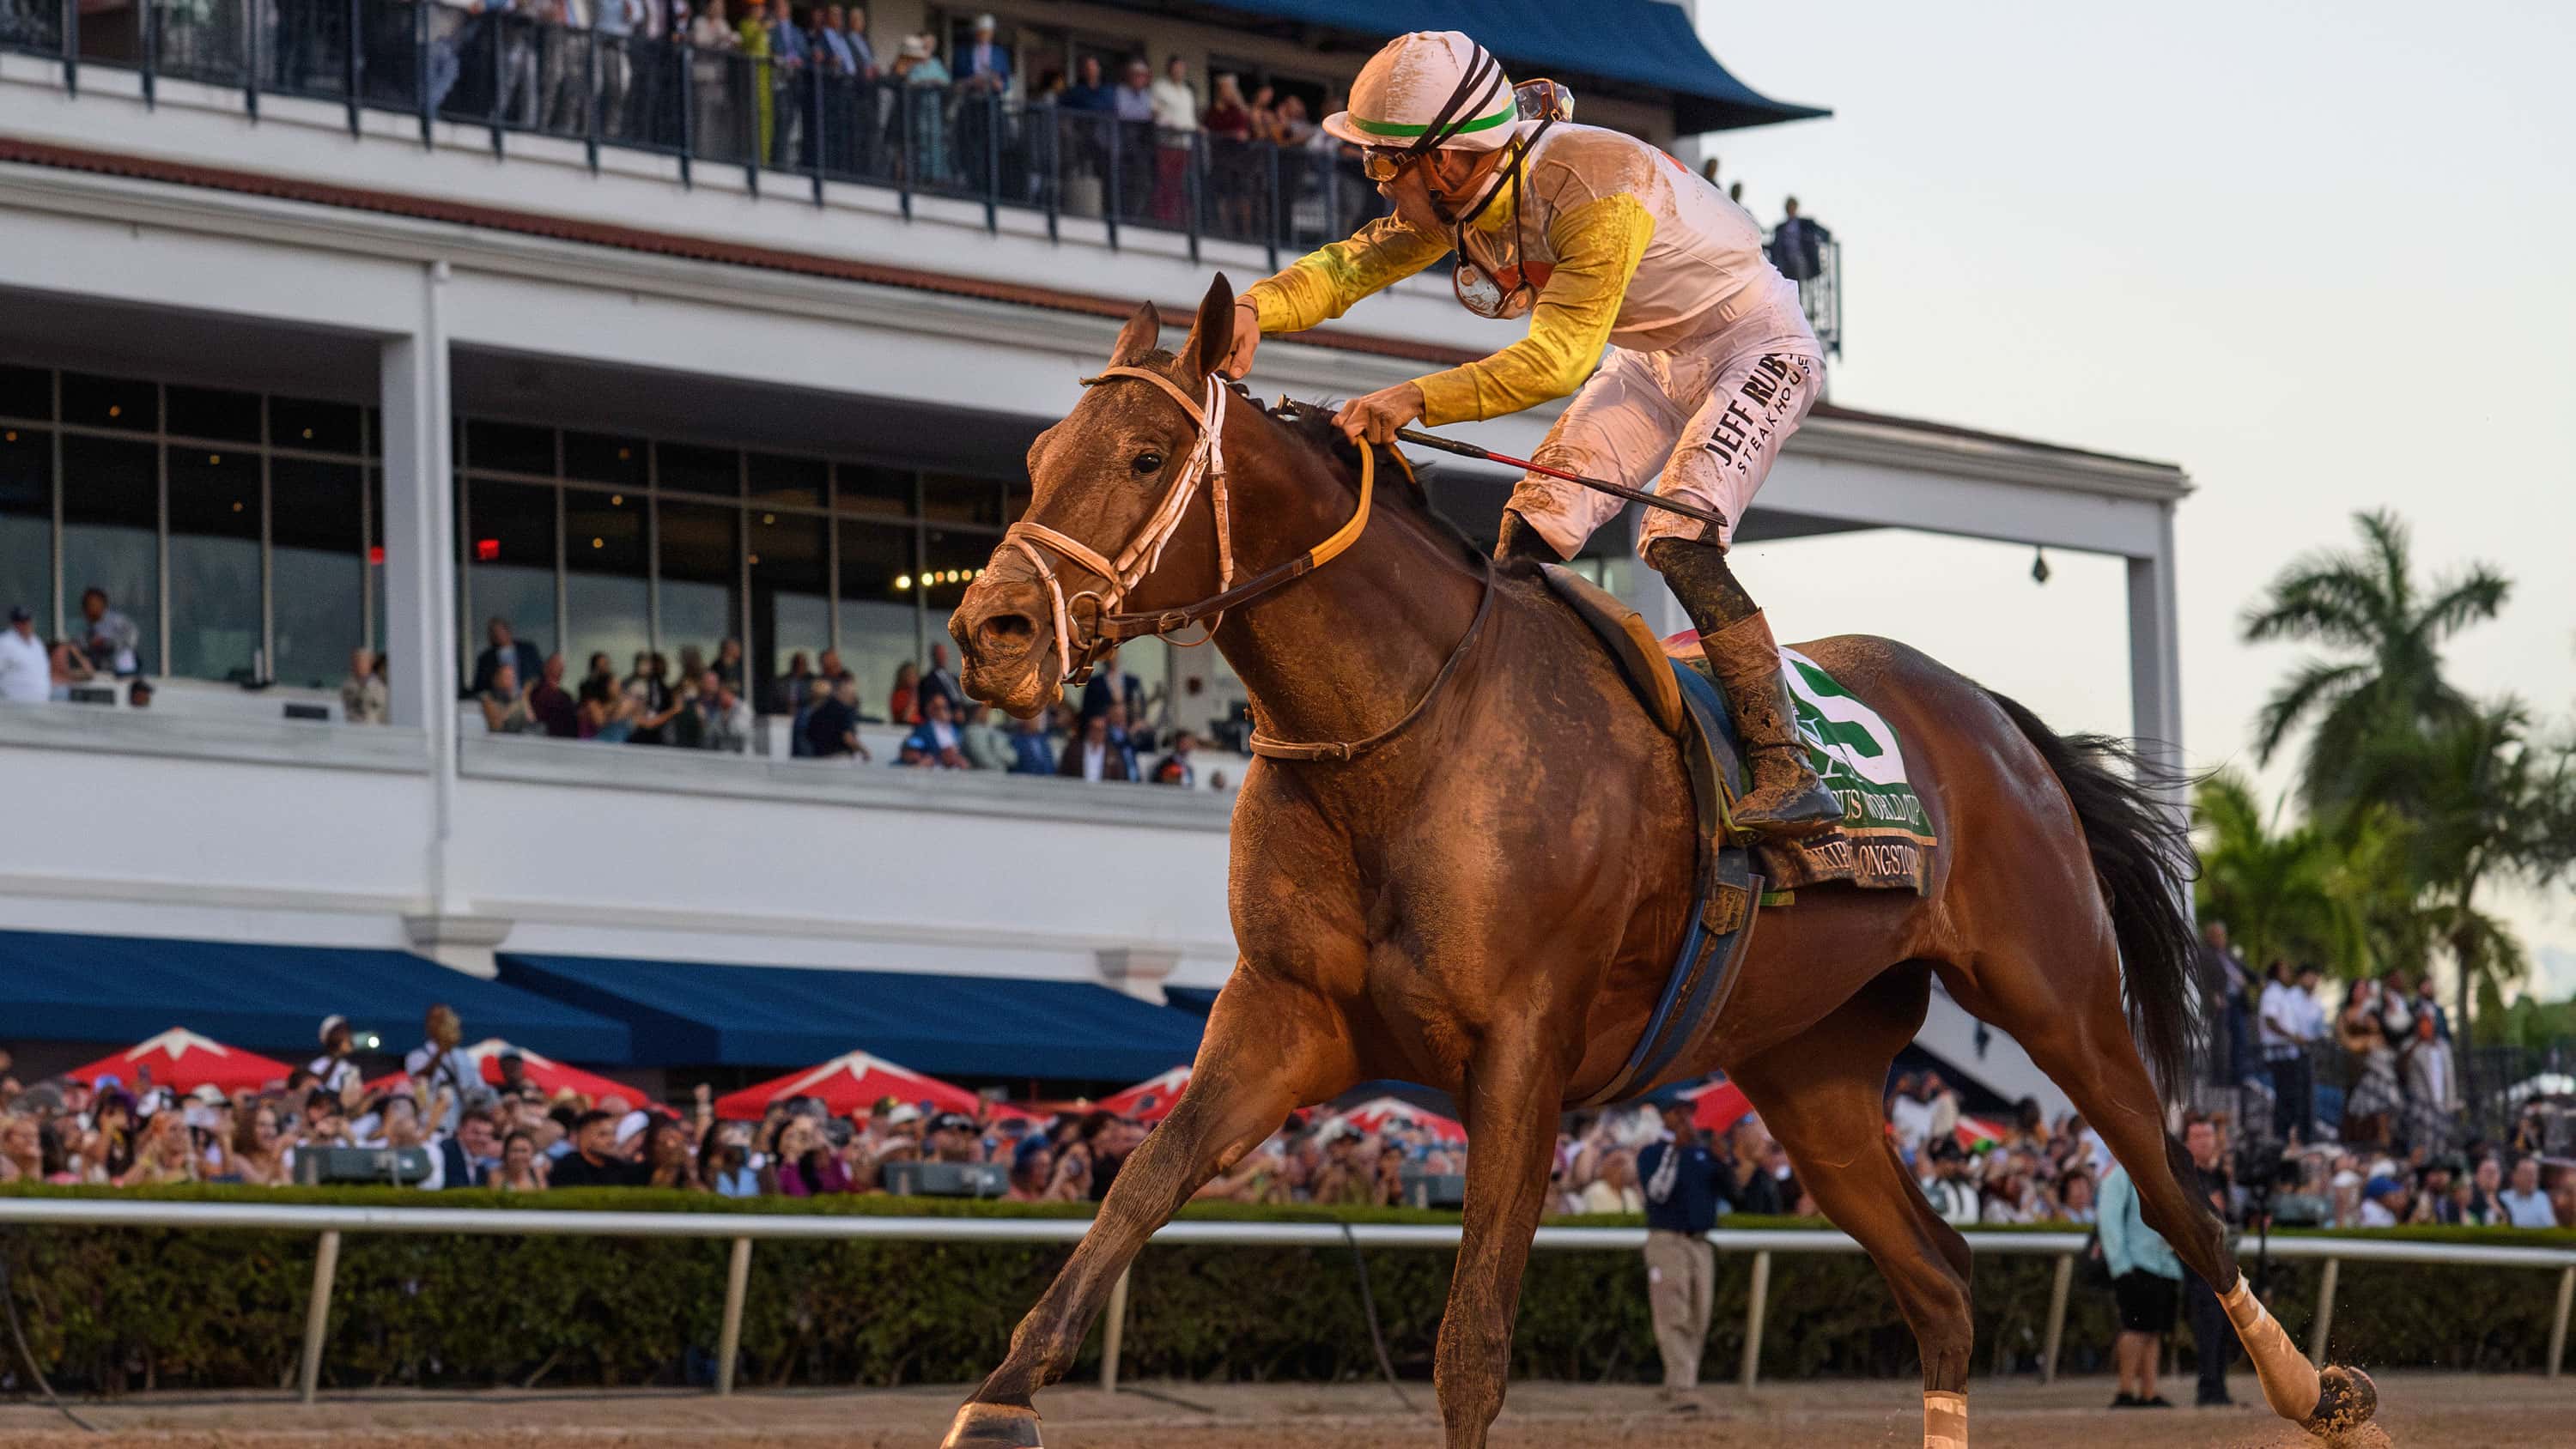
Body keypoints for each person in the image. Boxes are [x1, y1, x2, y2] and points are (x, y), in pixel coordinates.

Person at [1221, 31, 1838, 836]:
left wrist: (1413, 398)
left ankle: (1785, 763)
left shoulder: (1595, 188)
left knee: (1676, 536)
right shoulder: (1466, 191)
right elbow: (1345, 270)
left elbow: (1555, 362)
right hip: (1650, 358)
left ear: (1445, 159)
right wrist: (1250, 307)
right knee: (1530, 531)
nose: (1378, 186)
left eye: (1383, 165)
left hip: (1755, 343)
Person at [1636, 1090, 1723, 1400]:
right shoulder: (1650, 1154)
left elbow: (1733, 1193)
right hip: (1666, 1240)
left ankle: (1680, 1383)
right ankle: (1683, 1388)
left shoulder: (1703, 1153)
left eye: (1688, 1111)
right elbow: (1657, 1193)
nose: (1685, 1117)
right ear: (1664, 1115)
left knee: (1699, 1317)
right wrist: (1674, 1152)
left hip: (1700, 1243)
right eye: (1678, 1111)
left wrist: (1723, 1158)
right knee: (1674, 1315)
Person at [2098, 1158, 2183, 1408]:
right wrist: (2120, 1266)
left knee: (2153, 1331)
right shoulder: (2120, 1175)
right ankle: (2125, 1390)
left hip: (2162, 1265)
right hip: (2133, 1264)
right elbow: (2108, 1220)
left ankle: (2149, 1391)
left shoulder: (2158, 1174)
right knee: (2134, 1329)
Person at [2177, 1114, 2244, 1407]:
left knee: (2227, 1327)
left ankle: (2220, 1389)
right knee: (2209, 1327)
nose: (2205, 1141)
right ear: (2187, 1143)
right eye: (2198, 1136)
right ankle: (2208, 1390)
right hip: (2198, 1265)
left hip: (2223, 1261)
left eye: (2208, 1135)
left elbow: (2232, 1216)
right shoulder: (2185, 1176)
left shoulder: (2218, 1177)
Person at [2257, 961, 2322, 1143]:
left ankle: (2292, 1137)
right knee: (2285, 1099)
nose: (2289, 973)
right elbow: (2270, 1021)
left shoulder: (2280, 993)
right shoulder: (2272, 993)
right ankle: (2282, 1138)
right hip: (2281, 1053)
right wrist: (2293, 1037)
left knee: (2293, 1098)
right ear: (2277, 972)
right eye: (2286, 969)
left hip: (2289, 1052)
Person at [549, 1109, 647, 1187]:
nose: (612, 1140)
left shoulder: (619, 1168)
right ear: (583, 1138)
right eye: (603, 1135)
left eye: (614, 1134)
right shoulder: (568, 1168)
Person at [471, 616, 544, 700]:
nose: (497, 635)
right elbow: (479, 688)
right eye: (493, 632)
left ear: (508, 630)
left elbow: (540, 674)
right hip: (499, 703)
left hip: (529, 700)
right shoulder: (485, 659)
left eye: (499, 631)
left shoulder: (528, 650)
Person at [76, 586, 141, 676]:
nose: (90, 607)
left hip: (122, 670)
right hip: (101, 671)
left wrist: (108, 642)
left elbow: (132, 636)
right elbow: (81, 647)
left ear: (103, 603)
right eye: (87, 604)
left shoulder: (116, 620)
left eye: (93, 603)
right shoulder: (86, 627)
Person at [1767, 196, 1832, 282]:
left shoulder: (1805, 223)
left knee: (1797, 263)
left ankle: (1796, 291)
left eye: (1792, 207)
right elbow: (1775, 246)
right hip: (1785, 259)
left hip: (1802, 258)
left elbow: (1823, 232)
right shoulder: (1780, 227)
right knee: (1783, 269)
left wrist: (1822, 240)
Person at [900, 692, 969, 767]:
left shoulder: (957, 730)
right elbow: (913, 748)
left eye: (945, 708)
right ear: (929, 709)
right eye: (937, 708)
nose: (942, 712)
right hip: (934, 767)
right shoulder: (923, 730)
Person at [1058, 712, 1131, 782]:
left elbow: (1120, 779)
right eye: (1095, 729)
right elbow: (1063, 775)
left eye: (1101, 730)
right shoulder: (1074, 751)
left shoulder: (1113, 753)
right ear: (1089, 729)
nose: (1097, 734)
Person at [0, 606, 47, 704]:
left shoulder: (37, 642)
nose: (25, 625)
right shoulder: (5, 643)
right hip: (15, 707)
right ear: (14, 623)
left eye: (27, 621)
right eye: (21, 622)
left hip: (41, 704)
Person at [2498, 1156, 2561, 1228]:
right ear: (2514, 1176)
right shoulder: (2502, 1200)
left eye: (2534, 1172)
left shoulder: (2546, 1199)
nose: (2532, 1176)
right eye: (2526, 1172)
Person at [339, 647, 390, 724]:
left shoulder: (380, 686)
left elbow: (379, 706)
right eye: (356, 662)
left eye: (362, 662)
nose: (358, 665)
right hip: (352, 727)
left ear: (370, 663)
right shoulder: (347, 686)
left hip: (374, 728)